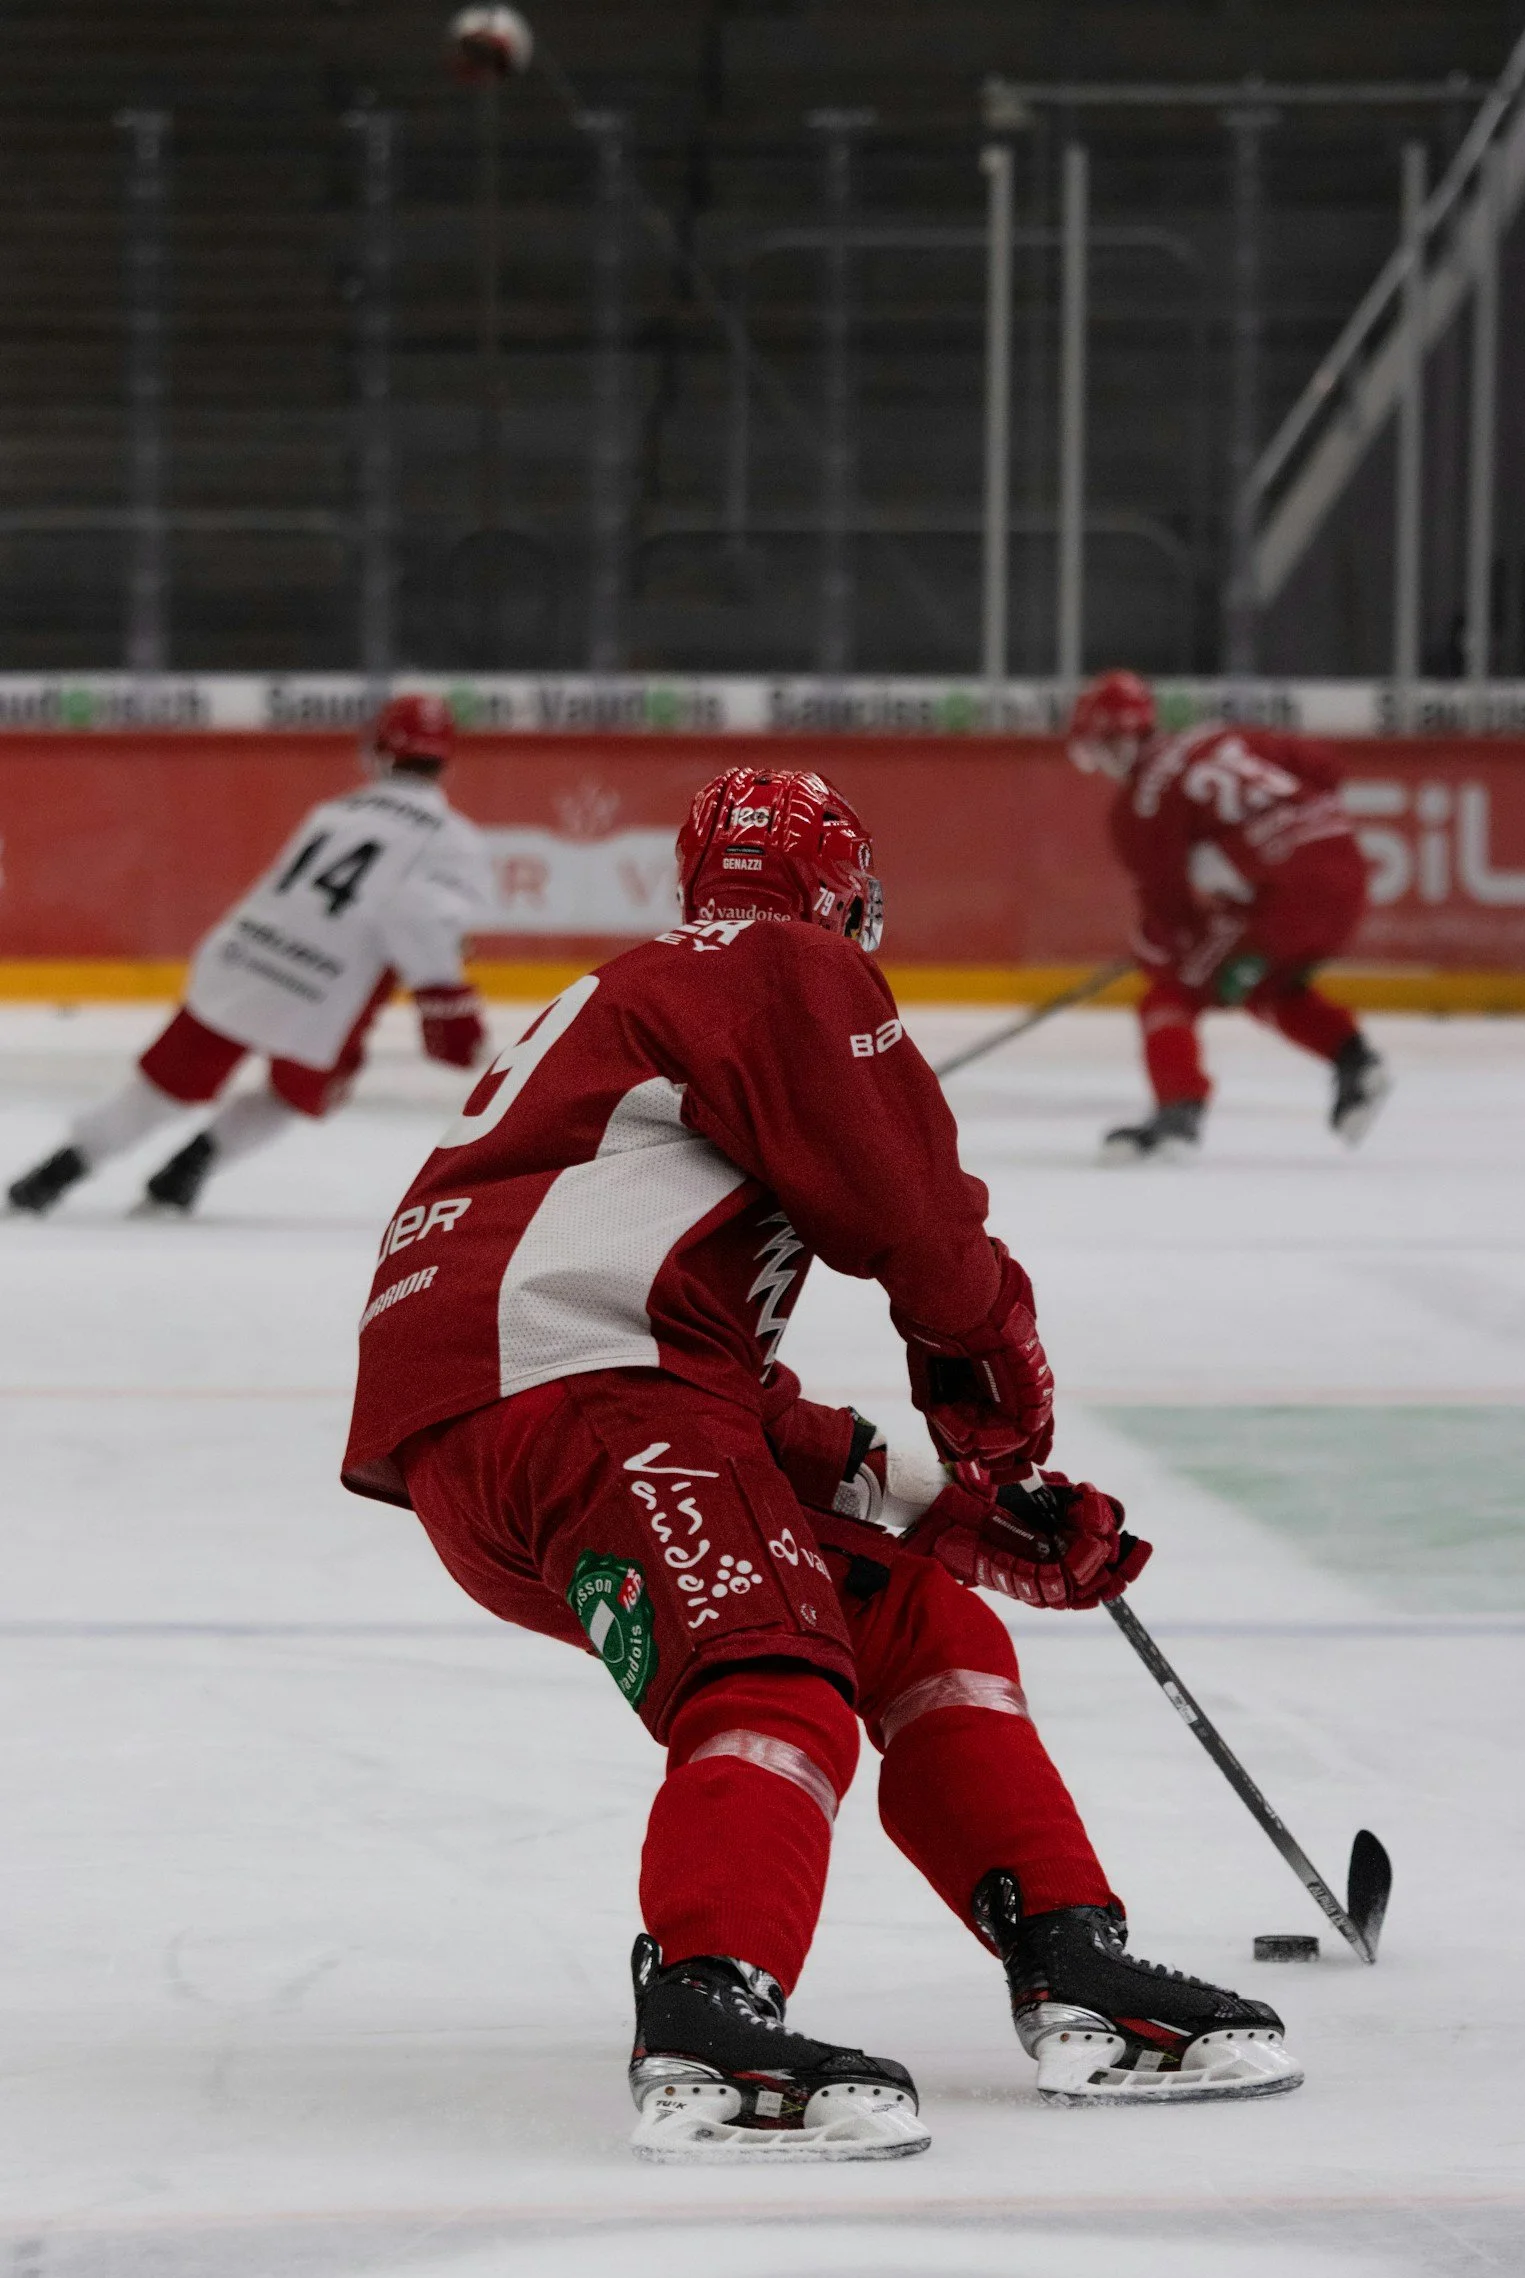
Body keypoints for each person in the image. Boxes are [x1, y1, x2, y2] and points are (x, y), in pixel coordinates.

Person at [342, 763, 1302, 2163]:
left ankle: (1069, 1955)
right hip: (579, 1400)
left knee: (913, 1616)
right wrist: (993, 1390)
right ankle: (705, 2013)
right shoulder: (781, 964)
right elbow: (914, 1219)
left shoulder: (647, 1005)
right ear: (842, 890)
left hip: (512, 1436)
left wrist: (951, 1513)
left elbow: (725, 1405)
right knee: (770, 1666)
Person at [6, 694, 490, 1220]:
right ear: (447, 758)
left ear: (377, 749)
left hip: (243, 961)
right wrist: (444, 996)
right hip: (324, 993)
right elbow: (417, 916)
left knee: (166, 1086)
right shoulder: (452, 839)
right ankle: (186, 1171)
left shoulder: (336, 811)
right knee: (303, 1093)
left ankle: (52, 1175)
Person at [1067, 670, 1392, 1163]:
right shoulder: (1220, 735)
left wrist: (1152, 947)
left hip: (1286, 900)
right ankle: (1356, 1063)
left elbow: (1172, 913)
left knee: (1170, 995)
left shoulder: (1138, 807)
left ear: (1117, 739)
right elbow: (1326, 768)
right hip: (1347, 871)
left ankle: (1178, 1117)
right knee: (1259, 984)